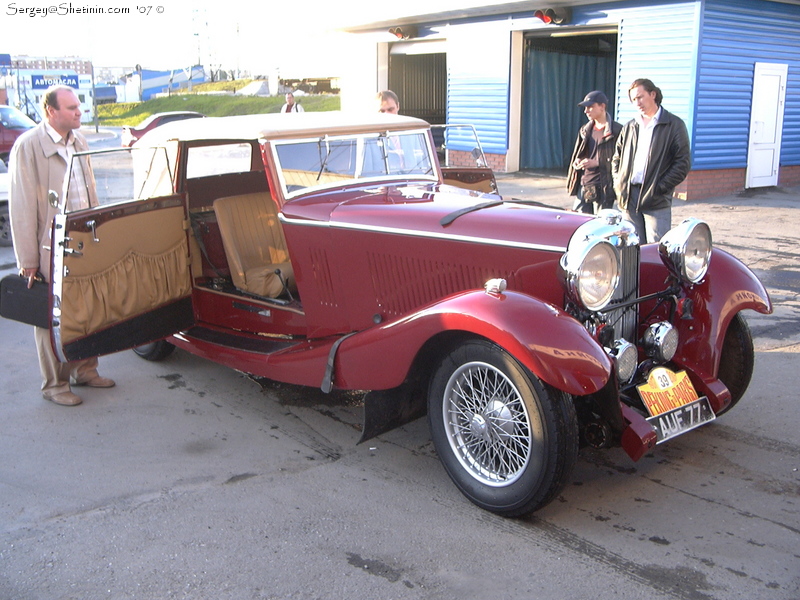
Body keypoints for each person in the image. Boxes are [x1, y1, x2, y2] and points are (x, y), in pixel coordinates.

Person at [9, 85, 115, 406]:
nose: (79, 111)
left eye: (78, 106)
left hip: (84, 241)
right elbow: (22, 207)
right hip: (51, 248)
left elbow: (90, 192)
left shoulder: (79, 141)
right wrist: (28, 260)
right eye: (71, 108)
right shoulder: (28, 147)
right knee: (49, 316)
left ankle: (84, 369)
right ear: (51, 112)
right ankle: (55, 385)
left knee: (86, 309)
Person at [612, 78, 691, 243]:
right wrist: (618, 182)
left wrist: (660, 187)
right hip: (628, 197)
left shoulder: (673, 125)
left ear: (653, 94)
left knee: (656, 249)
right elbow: (616, 159)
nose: (637, 102)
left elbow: (682, 163)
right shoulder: (630, 127)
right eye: (634, 99)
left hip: (656, 199)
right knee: (631, 249)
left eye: (640, 97)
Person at [567, 90, 622, 214]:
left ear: (602, 106)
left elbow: (623, 161)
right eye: (585, 108)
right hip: (585, 182)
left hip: (603, 185)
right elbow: (579, 153)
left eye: (590, 107)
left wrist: (597, 162)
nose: (586, 111)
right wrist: (577, 162)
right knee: (578, 220)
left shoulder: (617, 131)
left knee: (600, 223)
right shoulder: (585, 130)